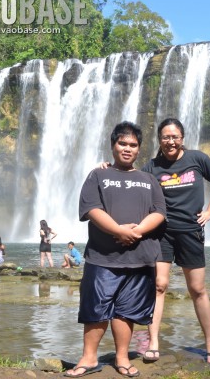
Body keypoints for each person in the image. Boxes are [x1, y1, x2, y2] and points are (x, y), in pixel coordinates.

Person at [64, 121, 166, 378]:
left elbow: (159, 213)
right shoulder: (98, 175)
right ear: (113, 145)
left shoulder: (149, 179)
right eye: (122, 143)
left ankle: (122, 358)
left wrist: (137, 231)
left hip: (140, 257)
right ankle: (88, 358)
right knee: (95, 309)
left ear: (139, 149)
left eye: (133, 145)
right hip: (102, 257)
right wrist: (119, 231)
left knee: (126, 312)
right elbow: (91, 209)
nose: (127, 148)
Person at [141, 118, 210, 364]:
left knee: (197, 289)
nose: (170, 141)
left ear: (182, 138)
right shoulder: (152, 167)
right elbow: (132, 183)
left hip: (191, 231)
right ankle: (153, 341)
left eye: (174, 137)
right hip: (162, 233)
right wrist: (107, 168)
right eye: (165, 137)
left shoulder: (197, 159)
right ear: (159, 139)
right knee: (159, 285)